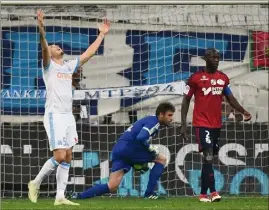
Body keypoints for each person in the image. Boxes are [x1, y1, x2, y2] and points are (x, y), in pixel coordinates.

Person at [28, 9, 110, 206]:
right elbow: (44, 47)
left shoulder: (67, 66)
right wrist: (41, 29)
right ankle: (35, 182)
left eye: (57, 45)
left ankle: (59, 197)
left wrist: (101, 35)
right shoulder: (49, 66)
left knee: (68, 156)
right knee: (59, 155)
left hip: (67, 116)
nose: (56, 47)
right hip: (54, 115)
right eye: (54, 46)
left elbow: (88, 54)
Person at [180, 48, 251, 202]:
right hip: (201, 123)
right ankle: (213, 192)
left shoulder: (223, 78)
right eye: (213, 57)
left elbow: (230, 98)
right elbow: (186, 100)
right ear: (205, 59)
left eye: (218, 57)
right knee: (208, 155)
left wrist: (243, 111)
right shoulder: (195, 78)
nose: (216, 60)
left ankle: (203, 194)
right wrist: (184, 124)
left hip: (216, 125)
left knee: (208, 159)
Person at [71, 102, 175, 200]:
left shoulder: (149, 119)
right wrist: (150, 148)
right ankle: (149, 194)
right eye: (169, 115)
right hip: (130, 149)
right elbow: (141, 137)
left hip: (119, 149)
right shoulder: (154, 122)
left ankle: (79, 196)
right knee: (161, 159)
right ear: (161, 114)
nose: (171, 118)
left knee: (112, 185)